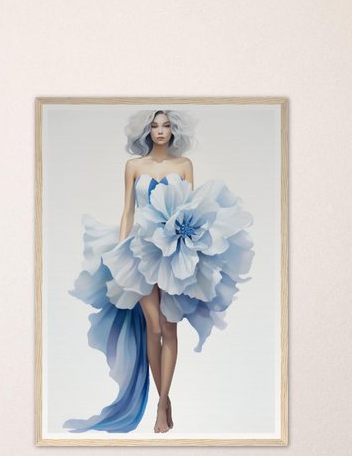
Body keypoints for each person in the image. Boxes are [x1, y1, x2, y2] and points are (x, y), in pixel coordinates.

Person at [64, 108, 253, 435]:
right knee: (153, 328)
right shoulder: (134, 166)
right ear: (146, 131)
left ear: (174, 130)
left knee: (169, 327)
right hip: (140, 249)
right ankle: (163, 399)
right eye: (154, 126)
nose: (160, 131)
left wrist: (195, 249)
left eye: (165, 126)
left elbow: (192, 206)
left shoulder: (184, 166)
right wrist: (122, 251)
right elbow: (128, 211)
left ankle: (162, 402)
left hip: (175, 250)